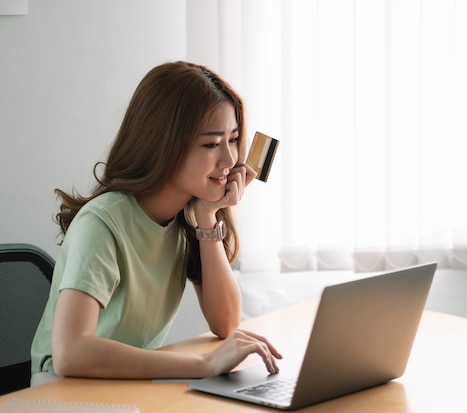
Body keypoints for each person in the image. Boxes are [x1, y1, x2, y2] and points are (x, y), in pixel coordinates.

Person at [30, 61, 281, 384]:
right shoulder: (103, 222)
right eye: (210, 144)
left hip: (131, 384)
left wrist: (207, 218)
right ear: (164, 144)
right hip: (62, 391)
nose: (230, 160)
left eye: (233, 140)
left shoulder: (188, 217)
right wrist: (204, 364)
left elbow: (226, 322)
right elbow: (70, 353)